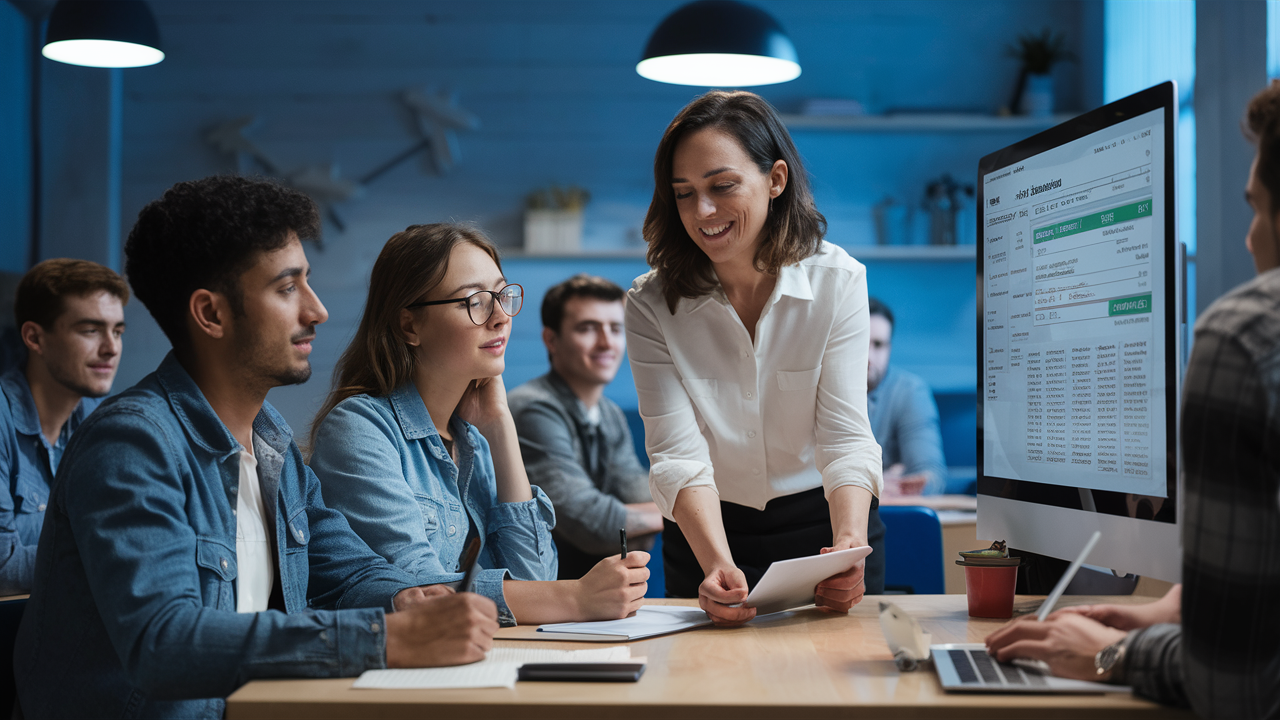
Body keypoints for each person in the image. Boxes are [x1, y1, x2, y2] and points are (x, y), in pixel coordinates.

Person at [13, 177, 499, 719]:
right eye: (288, 288)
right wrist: (384, 636)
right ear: (211, 314)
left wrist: (405, 598)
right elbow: (163, 643)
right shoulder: (132, 444)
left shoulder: (269, 441)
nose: (318, 311)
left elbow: (348, 568)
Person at [987, 81, 1280, 719]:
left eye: (1257, 209)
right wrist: (1178, 610)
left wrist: (1108, 654)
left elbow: (1233, 689)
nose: (1252, 239)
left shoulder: (1245, 336)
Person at [626, 90, 884, 624]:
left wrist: (849, 544)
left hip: (826, 524)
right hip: (706, 533)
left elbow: (845, 436)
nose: (702, 212)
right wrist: (717, 562)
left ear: (776, 180)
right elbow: (676, 455)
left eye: (722, 186)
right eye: (683, 194)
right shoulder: (650, 304)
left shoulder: (839, 282)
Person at [309, 224, 649, 625]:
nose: (501, 317)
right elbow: (421, 591)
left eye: (503, 296)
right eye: (474, 301)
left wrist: (501, 429)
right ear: (409, 326)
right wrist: (574, 597)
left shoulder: (475, 440)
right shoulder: (360, 428)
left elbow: (535, 577)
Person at [508, 274, 663, 580]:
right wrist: (682, 515)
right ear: (551, 340)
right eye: (588, 328)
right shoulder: (533, 408)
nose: (607, 342)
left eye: (616, 329)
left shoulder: (608, 413)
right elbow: (591, 523)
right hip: (539, 597)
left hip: (593, 596)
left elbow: (638, 493)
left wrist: (639, 519)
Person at [0, 259, 128, 594]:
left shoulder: (104, 421)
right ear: (34, 337)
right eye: (90, 330)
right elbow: (2, 569)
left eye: (117, 331)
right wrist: (119, 559)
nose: (111, 348)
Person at [865, 297, 948, 496]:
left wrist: (908, 485)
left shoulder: (910, 392)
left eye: (878, 345)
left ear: (889, 348)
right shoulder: (817, 387)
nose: (868, 356)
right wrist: (875, 483)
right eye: (859, 342)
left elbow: (932, 477)